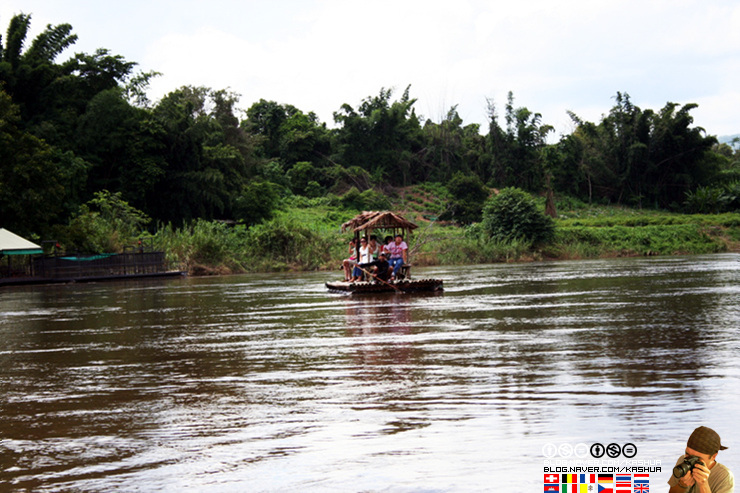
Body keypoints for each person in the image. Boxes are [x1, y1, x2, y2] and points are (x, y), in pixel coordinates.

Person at [668, 426, 734, 493]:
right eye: (687, 454)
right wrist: (682, 484)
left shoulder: (724, 476)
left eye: (696, 459)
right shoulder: (683, 461)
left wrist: (703, 485)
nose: (689, 461)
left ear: (713, 456)